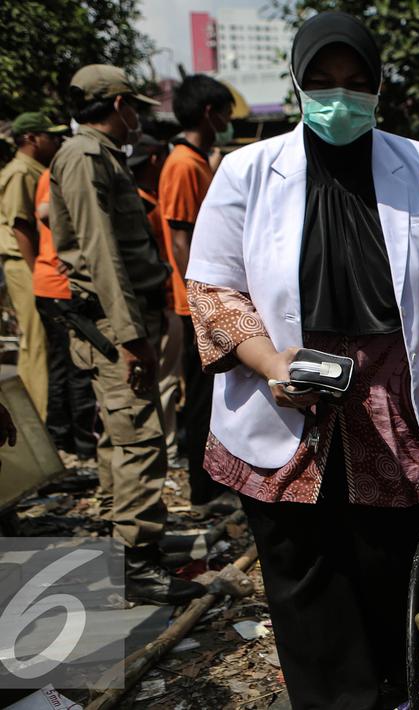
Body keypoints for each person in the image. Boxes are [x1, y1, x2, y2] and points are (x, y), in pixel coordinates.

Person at [185, 12, 419, 708]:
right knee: (305, 571)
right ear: (297, 84)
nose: (339, 98)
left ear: (379, 87)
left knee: (391, 563)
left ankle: (392, 686)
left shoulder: (418, 165)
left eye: (356, 83)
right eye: (321, 82)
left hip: (390, 405)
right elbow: (209, 288)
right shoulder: (247, 172)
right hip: (286, 396)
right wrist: (268, 364)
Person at [50, 65, 201, 606]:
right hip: (116, 324)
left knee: (119, 435)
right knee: (139, 438)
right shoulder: (86, 156)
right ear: (116, 106)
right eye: (132, 106)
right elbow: (101, 253)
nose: (137, 116)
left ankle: (131, 543)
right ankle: (138, 561)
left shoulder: (94, 155)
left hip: (117, 321)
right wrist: (130, 334)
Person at [162, 74, 236, 513]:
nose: (228, 121)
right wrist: (202, 298)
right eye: (226, 113)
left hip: (197, 299)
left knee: (208, 394)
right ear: (210, 113)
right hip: (194, 303)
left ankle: (207, 480)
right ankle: (201, 486)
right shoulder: (184, 165)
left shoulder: (194, 161)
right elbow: (180, 237)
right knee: (200, 398)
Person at [0, 112, 67, 419]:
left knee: (38, 342)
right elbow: (19, 226)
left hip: (30, 262)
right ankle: (35, 417)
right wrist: (34, 269)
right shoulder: (20, 172)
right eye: (49, 136)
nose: (56, 141)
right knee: (37, 342)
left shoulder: (33, 169)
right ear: (30, 139)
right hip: (22, 262)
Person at [33, 165, 98, 464]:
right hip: (59, 287)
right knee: (76, 368)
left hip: (52, 284)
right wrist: (71, 249)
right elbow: (44, 211)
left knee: (64, 366)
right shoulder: (64, 169)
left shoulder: (58, 168)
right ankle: (76, 446)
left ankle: (63, 442)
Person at [128, 135, 184, 468]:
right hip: (160, 301)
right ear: (153, 161)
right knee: (163, 379)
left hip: (157, 301)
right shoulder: (144, 205)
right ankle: (167, 449)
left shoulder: (141, 200)